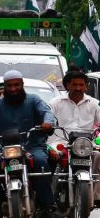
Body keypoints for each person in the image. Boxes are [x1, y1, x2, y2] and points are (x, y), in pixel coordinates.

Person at [0, 70, 57, 218]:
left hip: (32, 145)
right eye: (9, 85)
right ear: (4, 87)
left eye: (16, 85)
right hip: (2, 147)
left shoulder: (34, 100)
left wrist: (48, 123)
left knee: (40, 161)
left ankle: (47, 203)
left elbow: (47, 113)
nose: (13, 89)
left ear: (22, 84)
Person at [49, 71, 100, 207]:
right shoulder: (55, 103)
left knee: (98, 155)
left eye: (81, 85)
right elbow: (47, 121)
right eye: (74, 85)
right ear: (67, 86)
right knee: (48, 158)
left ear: (86, 87)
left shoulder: (94, 104)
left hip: (86, 144)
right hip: (60, 142)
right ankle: (49, 196)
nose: (78, 88)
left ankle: (95, 196)